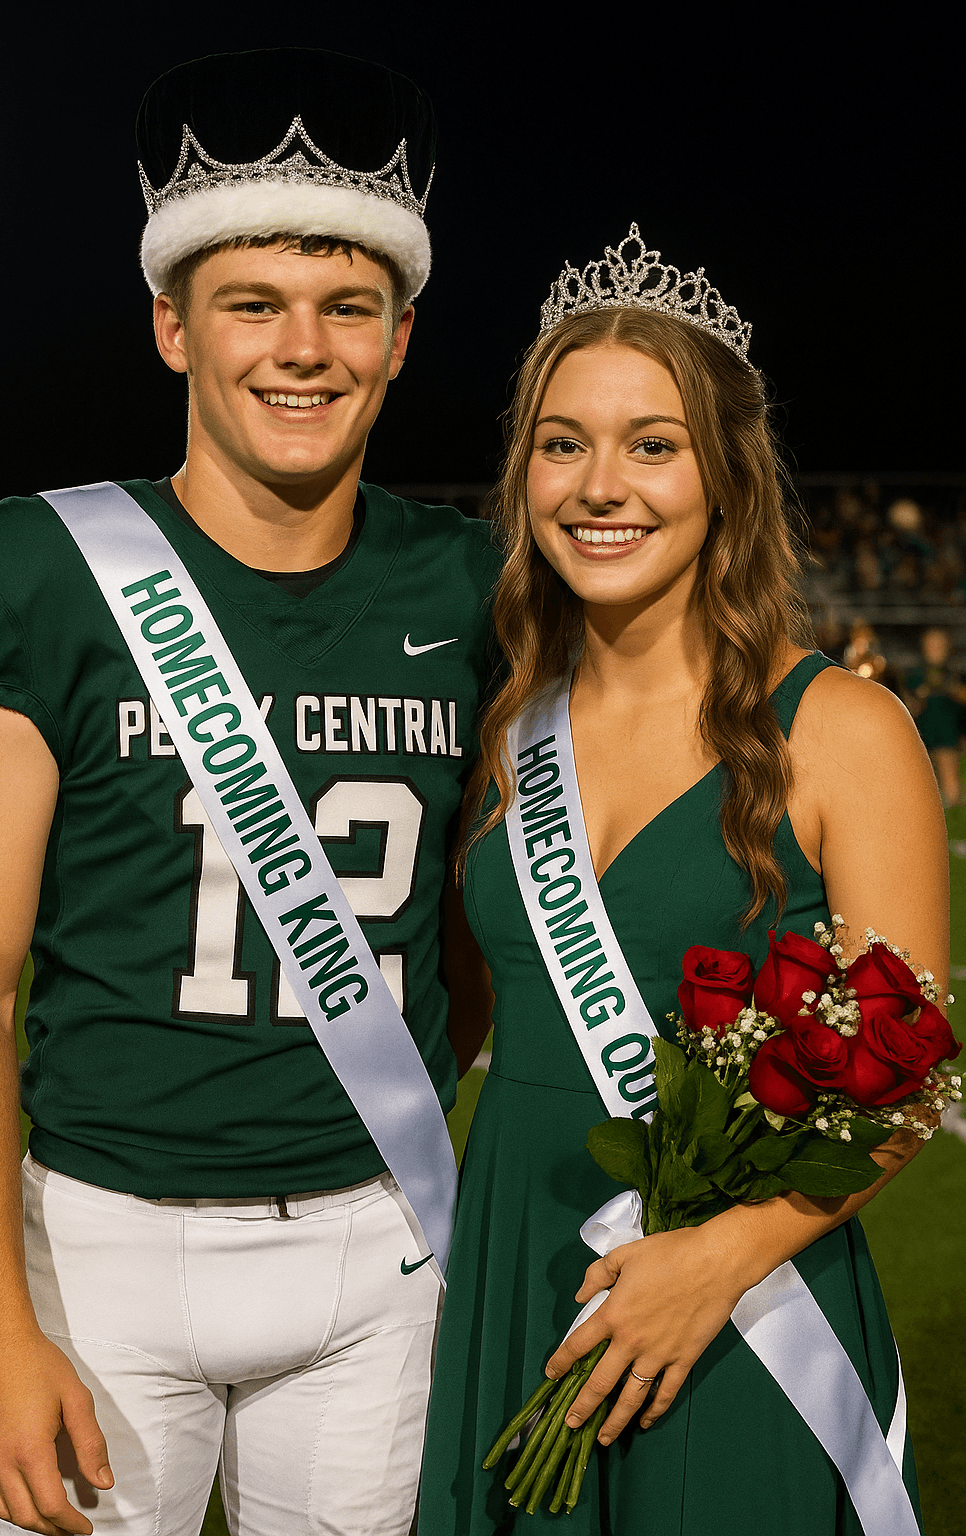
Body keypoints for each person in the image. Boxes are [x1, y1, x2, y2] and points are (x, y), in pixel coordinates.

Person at [0, 48, 496, 1536]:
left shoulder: (475, 585)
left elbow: (483, 927)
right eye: (252, 303)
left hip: (380, 1239)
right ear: (171, 325)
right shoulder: (33, 570)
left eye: (347, 308)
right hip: (103, 1246)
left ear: (400, 337)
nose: (302, 349)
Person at [419, 227, 951, 1533]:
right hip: (517, 1273)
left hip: (743, 1311)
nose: (600, 486)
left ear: (726, 477)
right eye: (563, 444)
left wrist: (716, 1259)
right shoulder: (506, 725)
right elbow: (463, 1011)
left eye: (652, 444)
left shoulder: (844, 730)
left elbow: (903, 1078)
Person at [901, 626, 966, 806]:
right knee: (920, 781)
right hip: (921, 733)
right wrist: (921, 695)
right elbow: (908, 706)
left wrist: (951, 687)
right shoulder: (914, 676)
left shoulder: (955, 674)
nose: (935, 650)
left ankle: (953, 815)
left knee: (949, 778)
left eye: (939, 645)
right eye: (931, 645)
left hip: (947, 734)